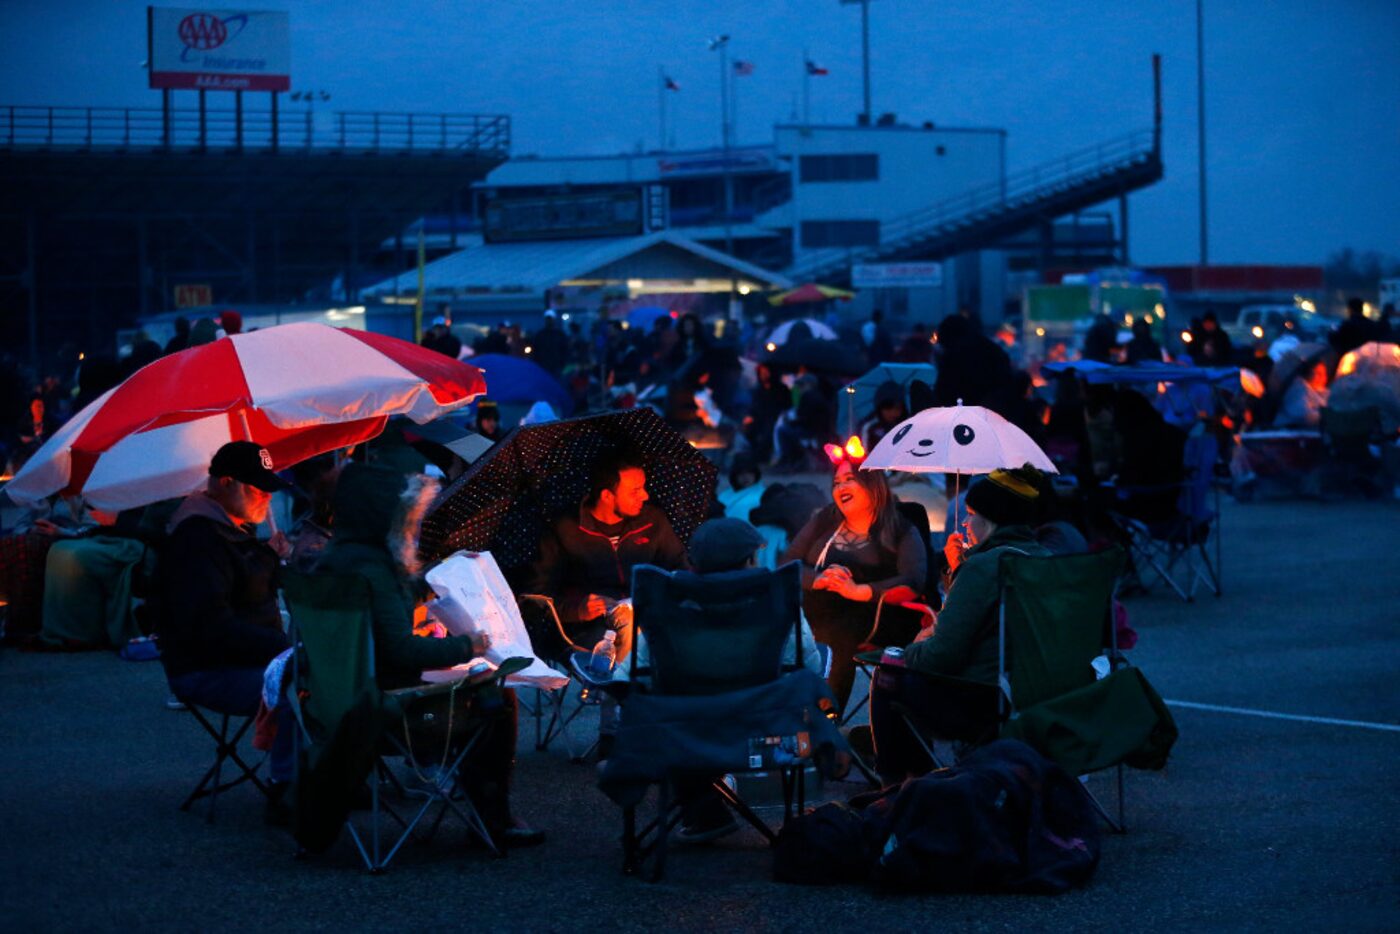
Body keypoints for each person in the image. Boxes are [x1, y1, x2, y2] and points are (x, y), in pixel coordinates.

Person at [314, 462, 543, 846]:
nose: (413, 530)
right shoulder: (374, 572)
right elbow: (403, 650)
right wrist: (470, 644)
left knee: (479, 684)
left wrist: (435, 576)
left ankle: (488, 813)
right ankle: (494, 818)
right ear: (384, 518)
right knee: (497, 695)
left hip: (333, 703)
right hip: (390, 711)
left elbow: (386, 616)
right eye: (407, 520)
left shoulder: (337, 559)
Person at [617, 517, 825, 843]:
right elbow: (809, 668)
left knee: (657, 706)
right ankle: (711, 812)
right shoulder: (776, 601)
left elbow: (626, 676)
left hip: (683, 735)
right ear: (749, 561)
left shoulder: (670, 602)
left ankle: (703, 810)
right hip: (761, 731)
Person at [871, 468, 1051, 783]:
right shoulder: (1049, 560)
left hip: (985, 703)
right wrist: (959, 570)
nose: (966, 524)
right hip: (1044, 697)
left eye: (970, 515)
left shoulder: (984, 566)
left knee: (889, 672)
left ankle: (902, 786)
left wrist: (912, 650)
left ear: (991, 519)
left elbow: (942, 656)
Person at [153, 441, 296, 822]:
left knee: (330, 675)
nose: (266, 496)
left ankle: (329, 776)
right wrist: (285, 649)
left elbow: (244, 583)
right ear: (226, 483)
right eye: (256, 487)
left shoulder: (231, 530)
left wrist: (270, 557)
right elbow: (211, 627)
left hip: (252, 659)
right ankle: (289, 787)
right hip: (208, 668)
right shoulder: (198, 540)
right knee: (302, 687)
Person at [530, 452, 688, 746]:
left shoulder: (652, 521)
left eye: (644, 486)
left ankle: (619, 730)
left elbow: (681, 568)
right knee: (632, 628)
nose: (645, 495)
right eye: (635, 490)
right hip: (585, 630)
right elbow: (538, 595)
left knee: (642, 625)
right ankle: (623, 732)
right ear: (606, 495)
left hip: (650, 614)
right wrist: (576, 608)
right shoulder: (565, 529)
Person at [782, 458, 926, 708]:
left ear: (873, 485)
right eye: (836, 482)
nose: (840, 488)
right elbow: (788, 564)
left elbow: (913, 581)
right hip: (815, 609)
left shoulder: (900, 527)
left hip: (875, 618)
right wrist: (820, 579)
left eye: (850, 480)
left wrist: (859, 590)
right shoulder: (827, 518)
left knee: (837, 634)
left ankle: (825, 715)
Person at [1276, 359, 1330, 429]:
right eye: (1318, 373)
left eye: (1324, 374)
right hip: (1289, 432)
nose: (1322, 377)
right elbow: (1303, 415)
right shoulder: (1298, 389)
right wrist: (1329, 416)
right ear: (1308, 374)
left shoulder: (1322, 392)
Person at [859, 381, 908, 452]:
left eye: (898, 408)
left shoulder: (907, 425)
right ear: (880, 408)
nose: (893, 413)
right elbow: (866, 452)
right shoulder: (870, 427)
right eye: (888, 408)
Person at [529, 310, 570, 376]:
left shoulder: (560, 334)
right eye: (548, 319)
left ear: (554, 320)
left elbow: (565, 350)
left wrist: (563, 363)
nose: (549, 321)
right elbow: (535, 350)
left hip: (556, 365)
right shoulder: (540, 335)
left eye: (550, 319)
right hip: (543, 365)